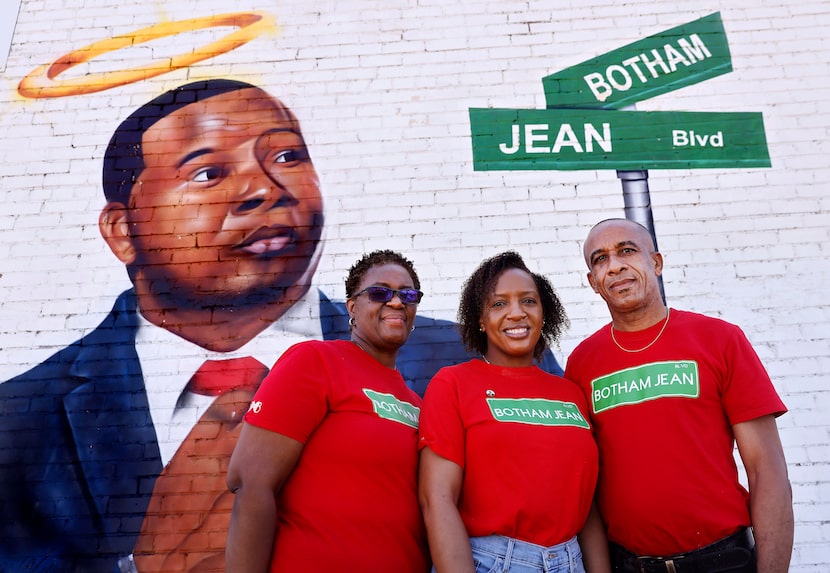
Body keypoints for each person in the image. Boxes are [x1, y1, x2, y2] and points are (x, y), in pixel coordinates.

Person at [0, 80, 534, 573]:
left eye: (285, 156)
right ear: (122, 230)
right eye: (207, 172)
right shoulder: (18, 423)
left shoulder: (473, 356)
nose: (263, 188)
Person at [565, 218, 793, 573]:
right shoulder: (582, 363)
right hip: (630, 565)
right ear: (593, 282)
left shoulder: (719, 340)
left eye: (627, 250)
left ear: (656, 263)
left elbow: (768, 470)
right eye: (600, 259)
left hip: (724, 562)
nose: (615, 265)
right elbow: (586, 489)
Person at [225, 249, 430, 572]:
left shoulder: (419, 406)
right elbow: (250, 481)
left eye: (408, 294)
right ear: (352, 306)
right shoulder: (317, 362)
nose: (396, 302)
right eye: (379, 293)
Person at [418, 251, 609, 573]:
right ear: (480, 319)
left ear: (544, 312)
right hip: (491, 562)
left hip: (570, 560)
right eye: (499, 304)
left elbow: (585, 503)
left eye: (528, 301)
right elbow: (437, 499)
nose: (516, 313)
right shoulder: (454, 383)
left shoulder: (570, 392)